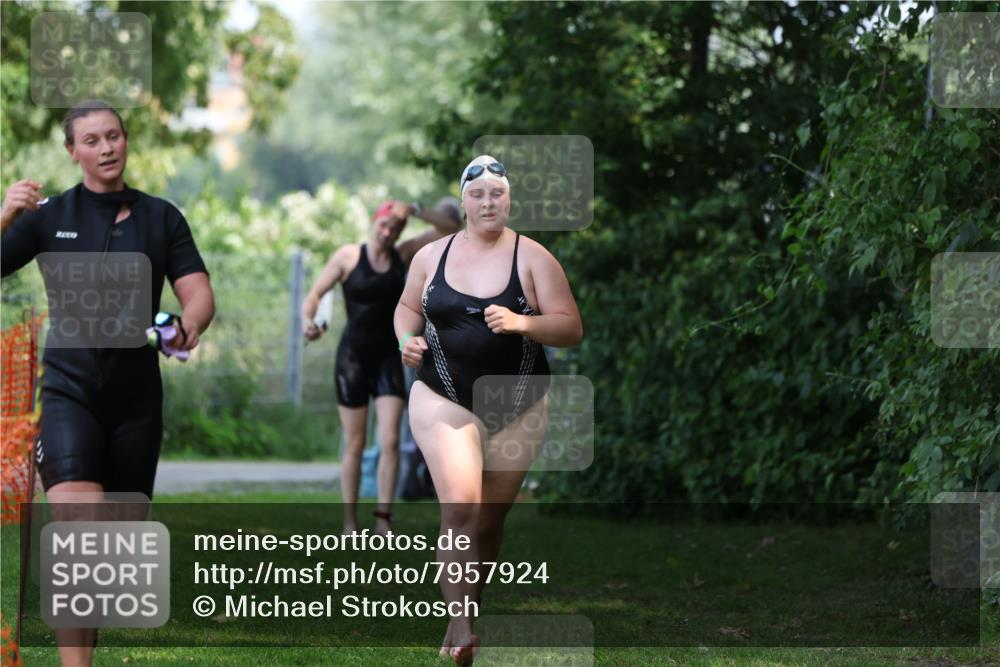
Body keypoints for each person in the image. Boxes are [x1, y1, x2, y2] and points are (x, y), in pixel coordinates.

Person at [0, 99, 215, 667]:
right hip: (69, 388)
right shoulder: (47, 216)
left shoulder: (161, 217)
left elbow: (197, 291)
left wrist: (186, 326)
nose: (107, 147)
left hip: (136, 398)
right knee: (79, 532)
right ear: (73, 152)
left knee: (111, 553)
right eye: (91, 140)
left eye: (114, 135)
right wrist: (4, 217)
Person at [394, 155, 583, 665]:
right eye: (477, 195)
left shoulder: (533, 257)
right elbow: (408, 308)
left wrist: (524, 325)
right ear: (463, 202)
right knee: (460, 509)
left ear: (508, 200)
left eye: (496, 194)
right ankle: (460, 631)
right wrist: (407, 341)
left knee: (489, 521)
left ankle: (466, 618)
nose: (487, 202)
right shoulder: (431, 256)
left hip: (517, 403)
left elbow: (569, 327)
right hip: (441, 395)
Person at [301, 198, 460, 535]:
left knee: (389, 440)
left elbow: (451, 228)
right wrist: (309, 320)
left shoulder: (404, 255)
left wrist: (415, 210)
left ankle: (383, 521)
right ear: (375, 221)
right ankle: (349, 523)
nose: (388, 233)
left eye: (395, 228)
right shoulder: (347, 256)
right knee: (355, 443)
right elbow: (315, 294)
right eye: (384, 225)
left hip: (389, 357)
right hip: (352, 359)